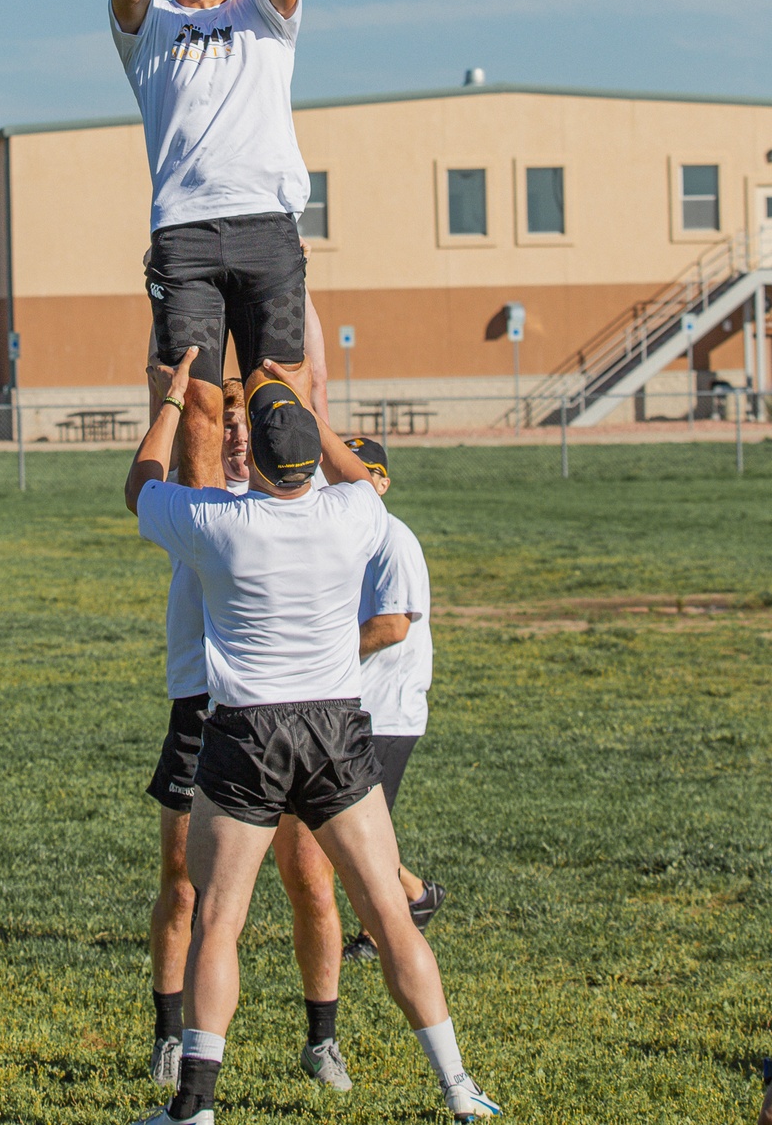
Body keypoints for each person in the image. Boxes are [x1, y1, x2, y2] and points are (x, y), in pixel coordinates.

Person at [125, 351, 500, 1124]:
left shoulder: (217, 524)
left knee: (219, 925)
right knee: (390, 918)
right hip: (336, 729)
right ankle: (460, 1090)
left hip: (246, 735)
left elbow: (138, 490)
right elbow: (358, 477)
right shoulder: (356, 514)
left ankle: (194, 1104)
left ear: (252, 456)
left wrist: (169, 404)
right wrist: (303, 407)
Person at [145, 376, 352, 1093]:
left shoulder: (304, 502)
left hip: (284, 714)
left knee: (311, 883)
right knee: (184, 890)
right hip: (203, 710)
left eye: (247, 426)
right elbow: (175, 444)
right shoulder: (197, 505)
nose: (236, 435)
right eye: (226, 425)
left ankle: (322, 1040)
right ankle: (172, 1036)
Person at [111, 0, 310, 491]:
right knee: (193, 396)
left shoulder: (262, 14)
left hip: (267, 227)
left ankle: (282, 549)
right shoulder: (151, 29)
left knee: (281, 398)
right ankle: (205, 559)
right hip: (185, 238)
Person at [340, 436, 447, 961]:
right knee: (348, 827)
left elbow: (392, 626)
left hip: (386, 711)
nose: (348, 481)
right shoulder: (343, 537)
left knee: (361, 834)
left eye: (363, 473)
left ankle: (382, 931)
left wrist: (324, 656)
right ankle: (415, 895)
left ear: (382, 483)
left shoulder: (392, 540)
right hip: (352, 706)